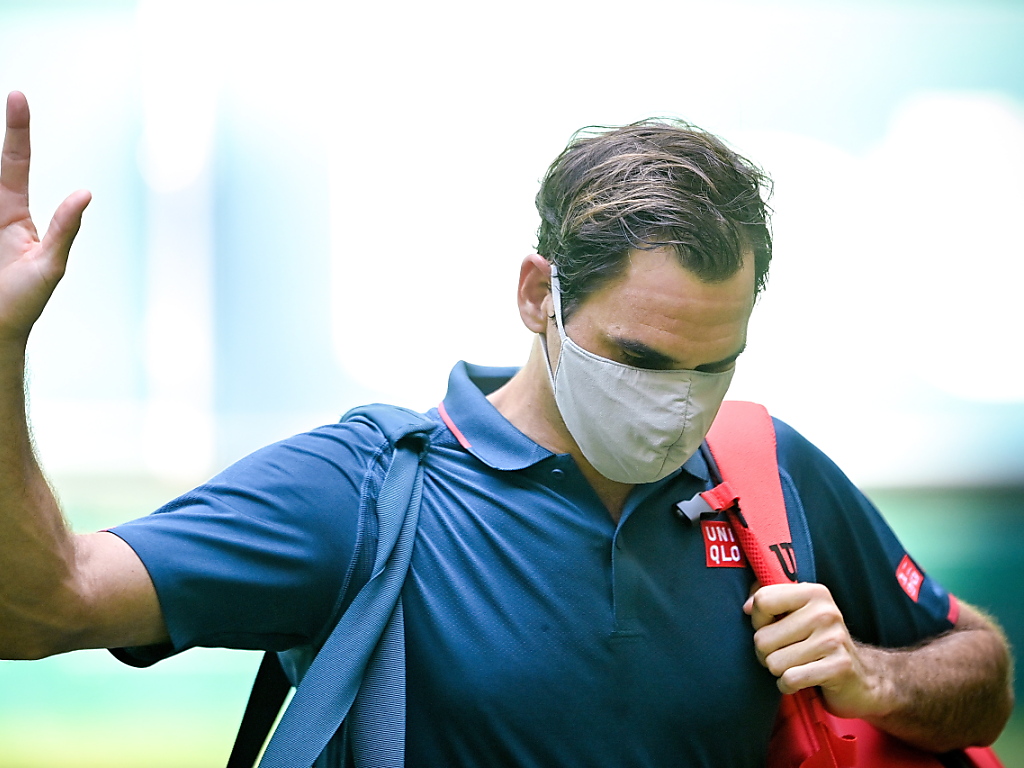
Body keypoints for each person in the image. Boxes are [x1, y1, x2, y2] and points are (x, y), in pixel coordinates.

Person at [0, 89, 1013, 766]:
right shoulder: (366, 492)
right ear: (538, 296)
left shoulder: (764, 467)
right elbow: (45, 607)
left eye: (715, 363)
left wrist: (874, 676)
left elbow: (982, 673)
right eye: (640, 358)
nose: (677, 399)